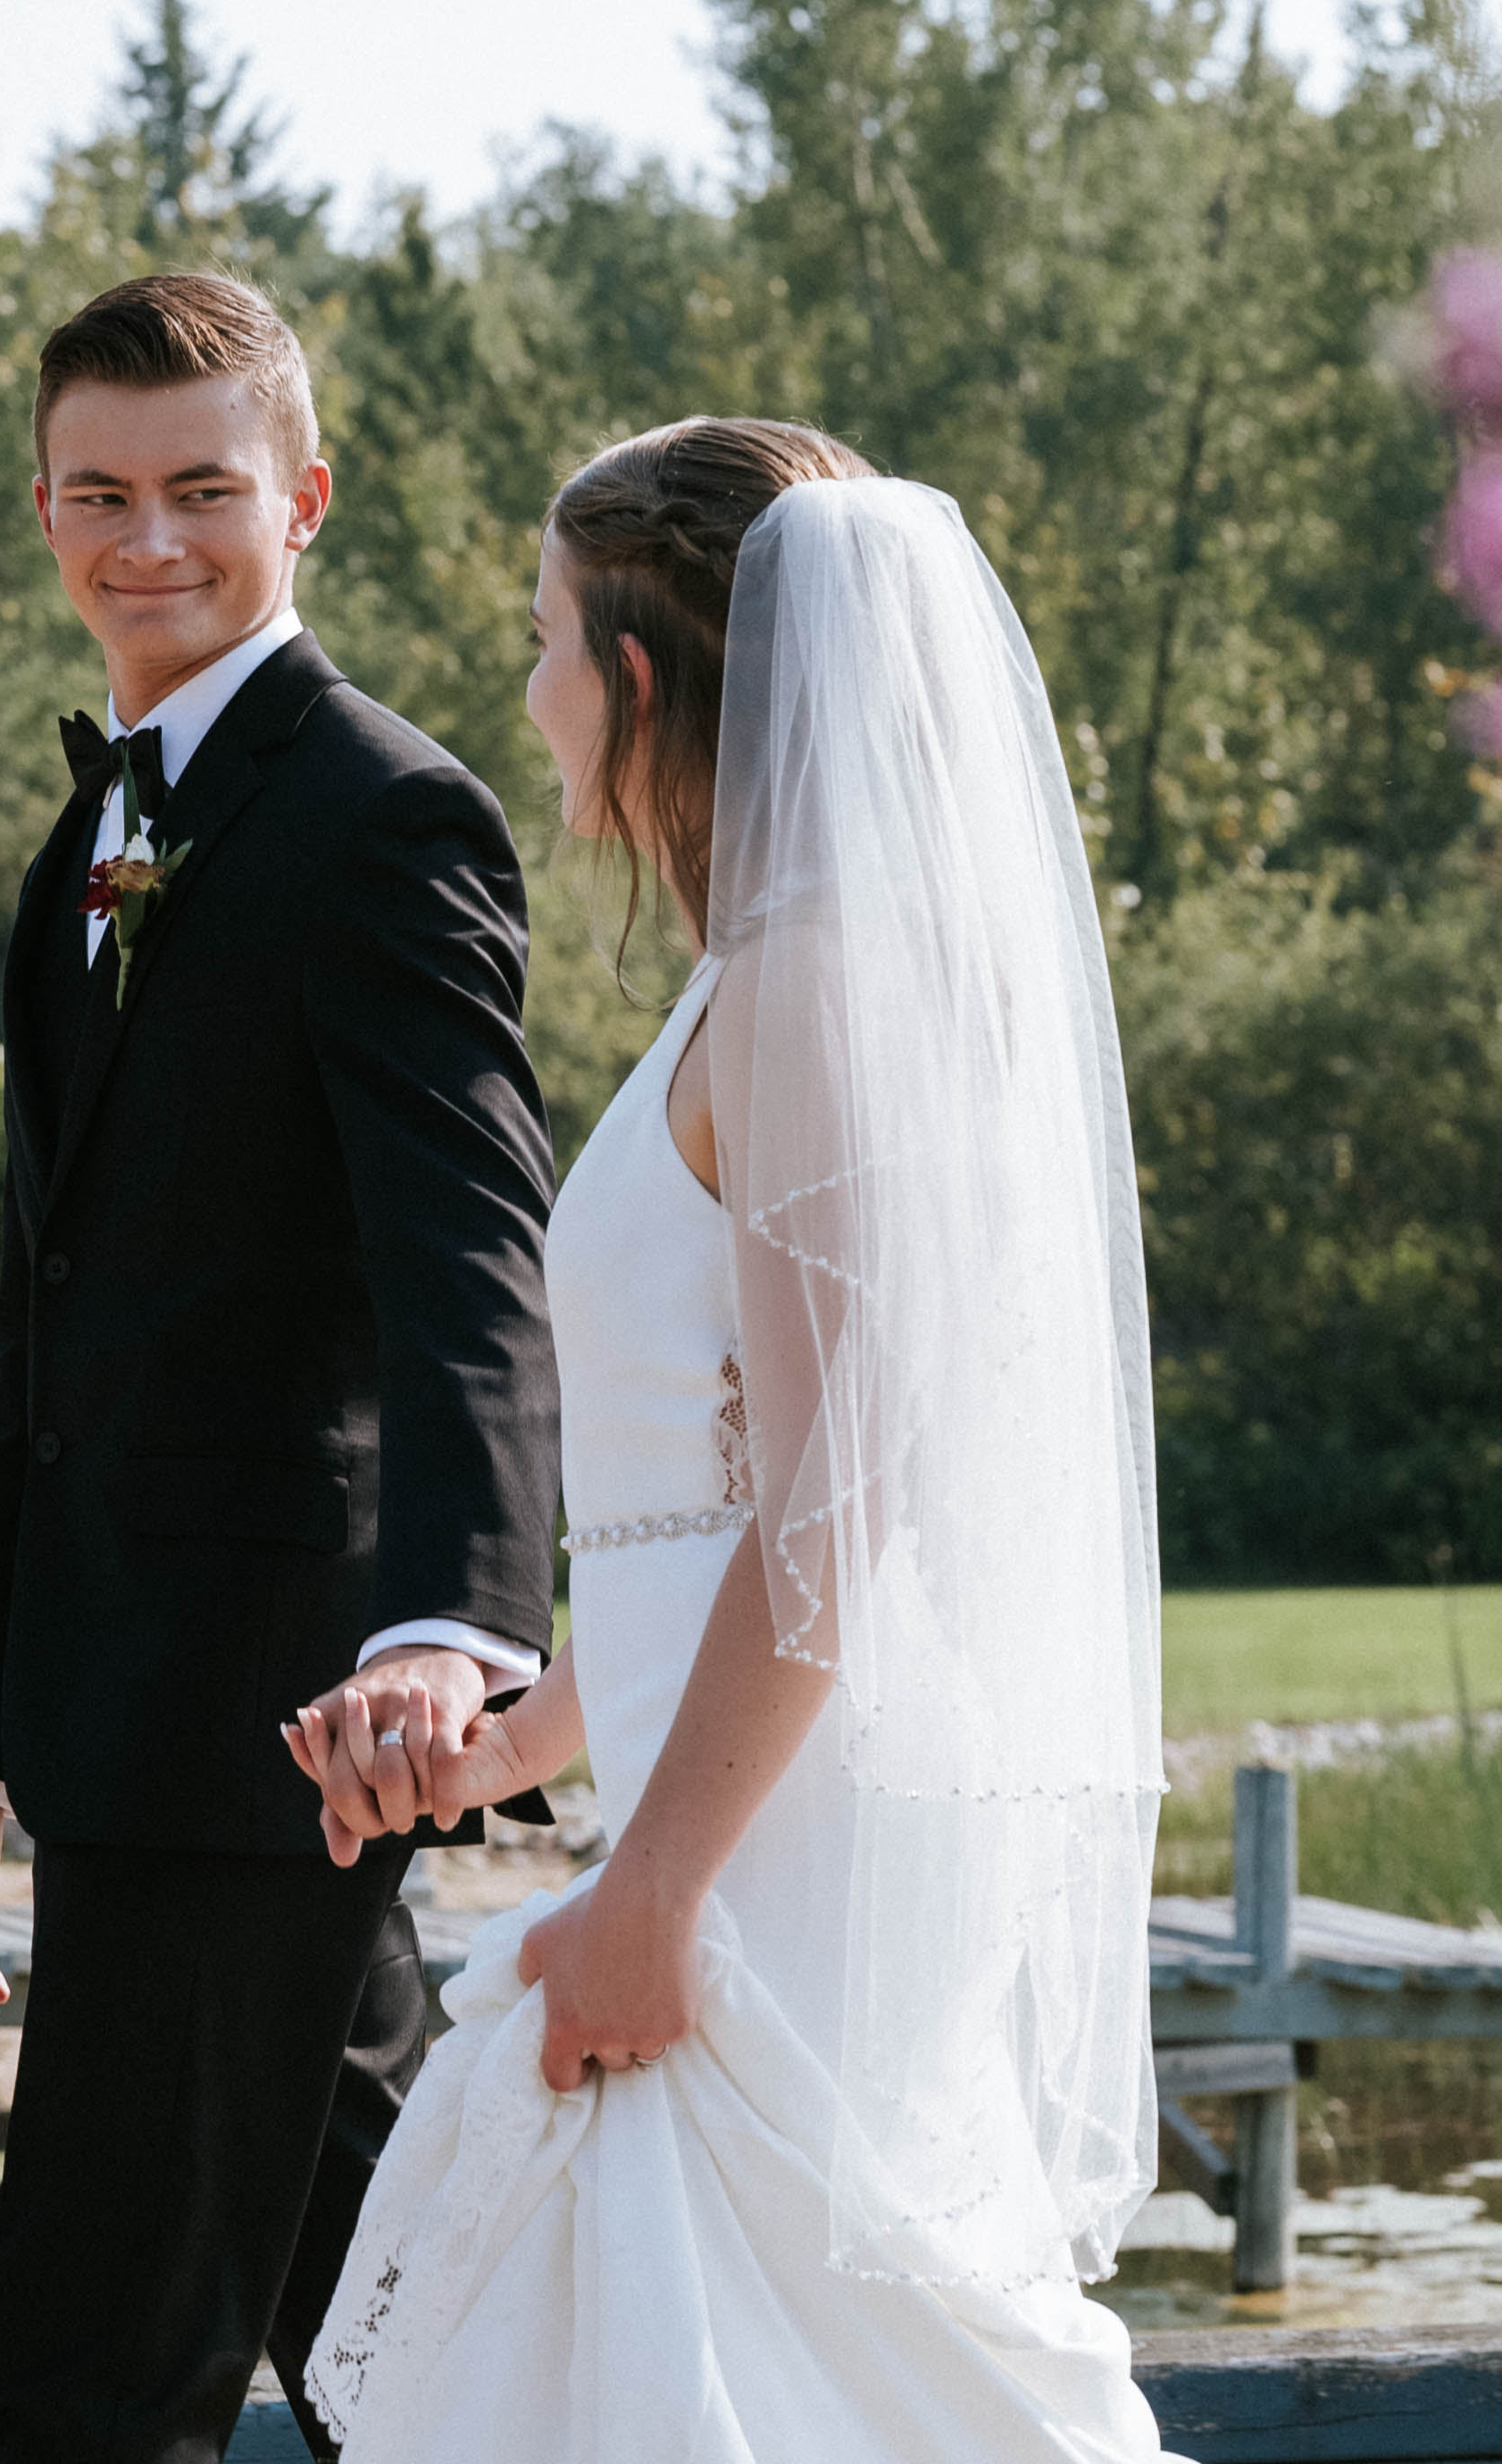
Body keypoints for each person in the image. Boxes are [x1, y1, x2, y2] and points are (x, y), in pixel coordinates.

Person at [287, 422, 1180, 2464]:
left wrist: (654, 1896)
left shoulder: (805, 994)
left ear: (639, 678)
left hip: (784, 1847)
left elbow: (834, 1510)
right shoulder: (749, 988)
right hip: (741, 1793)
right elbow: (690, 1506)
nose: (526, 690)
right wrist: (513, 1745)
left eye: (542, 641)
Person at [0, 271, 566, 2464]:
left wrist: (451, 1625)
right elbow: (53, 1339)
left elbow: (474, 1258)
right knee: (407, 2350)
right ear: (42, 510)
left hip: (275, 1703)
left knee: (91, 2380)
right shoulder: (86, 844)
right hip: (126, 1710)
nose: (144, 539)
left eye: (200, 490)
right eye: (97, 494)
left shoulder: (383, 816)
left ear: (303, 501)